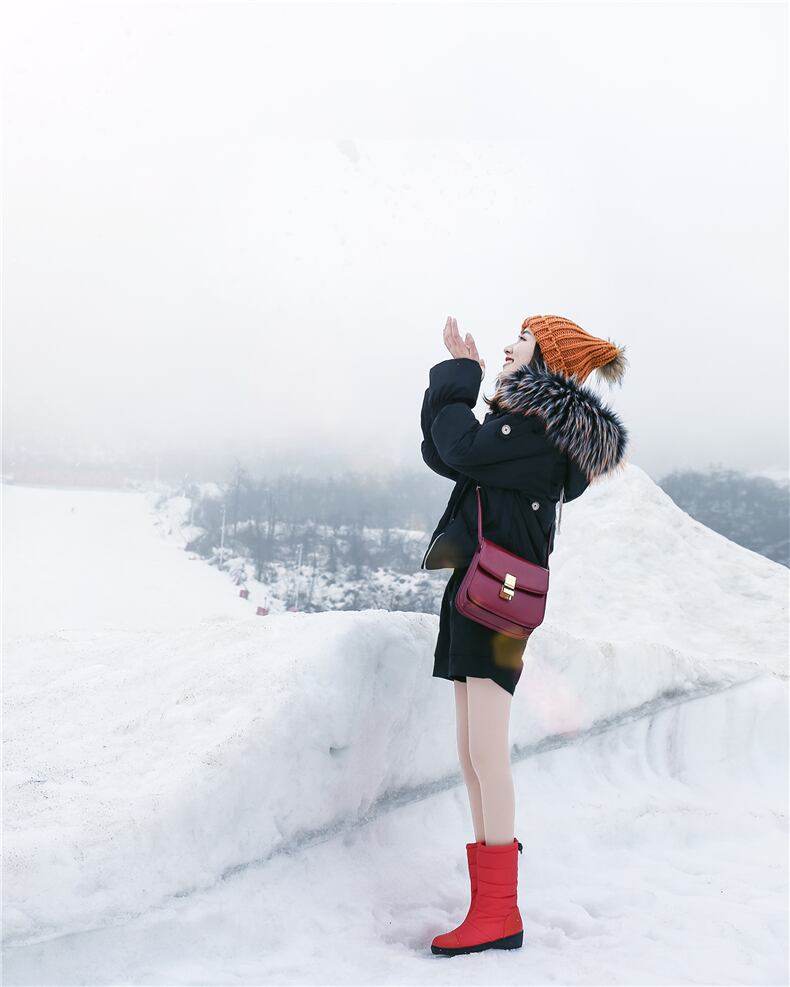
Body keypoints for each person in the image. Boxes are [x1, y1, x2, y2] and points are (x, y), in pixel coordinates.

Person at [421, 314, 630, 957]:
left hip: (496, 604)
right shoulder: (526, 426)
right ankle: (489, 906)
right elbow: (443, 452)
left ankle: (498, 912)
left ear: (548, 360)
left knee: (487, 754)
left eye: (523, 339)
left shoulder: (536, 430)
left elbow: (459, 449)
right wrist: (458, 382)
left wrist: (463, 377)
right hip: (481, 595)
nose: (509, 345)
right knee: (472, 753)